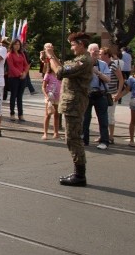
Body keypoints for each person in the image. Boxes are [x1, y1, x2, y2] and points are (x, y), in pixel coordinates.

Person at [47, 32, 94, 186]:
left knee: (73, 138)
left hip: (74, 103)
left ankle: (80, 176)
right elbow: (62, 68)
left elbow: (60, 72)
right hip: (72, 103)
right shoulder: (81, 60)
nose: (72, 48)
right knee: (72, 138)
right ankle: (77, 172)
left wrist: (50, 55)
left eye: (73, 45)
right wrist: (52, 57)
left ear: (81, 44)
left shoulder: (83, 61)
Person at [82, 43, 112, 150]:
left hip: (100, 94)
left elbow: (108, 79)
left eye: (97, 51)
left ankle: (104, 141)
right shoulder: (84, 64)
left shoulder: (103, 64)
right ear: (88, 51)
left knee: (103, 119)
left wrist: (98, 72)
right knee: (85, 118)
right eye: (93, 51)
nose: (96, 53)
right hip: (87, 94)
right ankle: (84, 139)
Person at [100, 47, 125, 142]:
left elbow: (121, 79)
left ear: (106, 55)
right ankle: (103, 134)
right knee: (102, 115)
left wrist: (118, 93)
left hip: (111, 94)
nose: (99, 55)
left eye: (101, 53)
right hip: (103, 93)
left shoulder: (113, 65)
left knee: (110, 114)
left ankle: (111, 136)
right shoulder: (101, 65)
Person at [5, 38, 29, 122]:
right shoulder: (9, 54)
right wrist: (20, 74)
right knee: (13, 95)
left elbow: (26, 64)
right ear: (12, 45)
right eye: (15, 44)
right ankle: (12, 113)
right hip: (13, 77)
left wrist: (25, 73)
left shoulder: (22, 54)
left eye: (18, 44)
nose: (17, 46)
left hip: (22, 77)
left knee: (20, 96)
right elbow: (11, 67)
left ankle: (20, 114)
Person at [41, 45, 61, 140]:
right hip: (50, 96)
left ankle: (56, 132)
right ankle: (45, 132)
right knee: (48, 114)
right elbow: (43, 87)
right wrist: (46, 96)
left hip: (58, 97)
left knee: (57, 115)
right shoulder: (48, 75)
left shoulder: (59, 75)